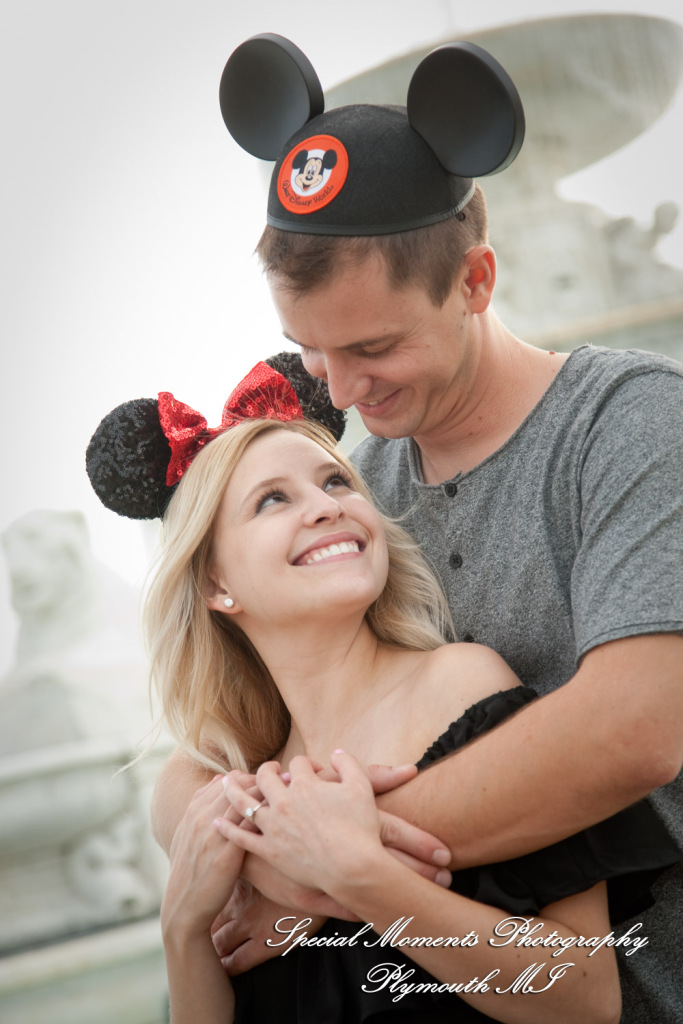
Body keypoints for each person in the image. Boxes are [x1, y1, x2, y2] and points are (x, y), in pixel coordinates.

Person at [192, 33, 683, 1023]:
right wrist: (235, 858)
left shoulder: (631, 423)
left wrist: (321, 869)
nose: (335, 390)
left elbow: (636, 729)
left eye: (371, 346)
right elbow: (207, 743)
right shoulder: (353, 492)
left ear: (473, 281)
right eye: (310, 350)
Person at [86, 368, 677, 1023]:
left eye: (336, 480)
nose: (325, 504)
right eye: (271, 500)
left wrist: (358, 875)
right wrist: (183, 932)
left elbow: (582, 998)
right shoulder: (242, 790)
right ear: (215, 584)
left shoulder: (460, 685)